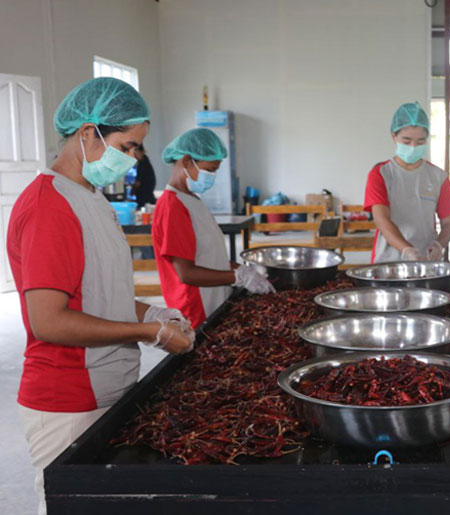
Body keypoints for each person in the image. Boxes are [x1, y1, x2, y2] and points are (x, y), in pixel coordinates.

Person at [6, 77, 195, 515]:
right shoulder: (49, 208)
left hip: (109, 387)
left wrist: (155, 310)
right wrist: (151, 332)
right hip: (69, 398)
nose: (133, 160)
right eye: (127, 147)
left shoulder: (90, 197)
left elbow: (100, 293)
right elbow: (49, 321)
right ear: (88, 133)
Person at [152, 128, 274, 329]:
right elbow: (186, 273)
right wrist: (239, 277)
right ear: (186, 161)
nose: (212, 176)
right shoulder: (173, 206)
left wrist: (241, 269)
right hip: (197, 310)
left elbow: (208, 256)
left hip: (214, 301)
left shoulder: (192, 200)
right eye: (209, 170)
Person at [363, 102, 450, 262]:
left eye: (420, 141)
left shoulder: (438, 177)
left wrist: (439, 245)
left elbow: (448, 223)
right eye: (407, 141)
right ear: (394, 137)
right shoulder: (381, 173)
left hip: (426, 260)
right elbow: (381, 219)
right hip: (388, 261)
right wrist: (406, 249)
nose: (413, 146)